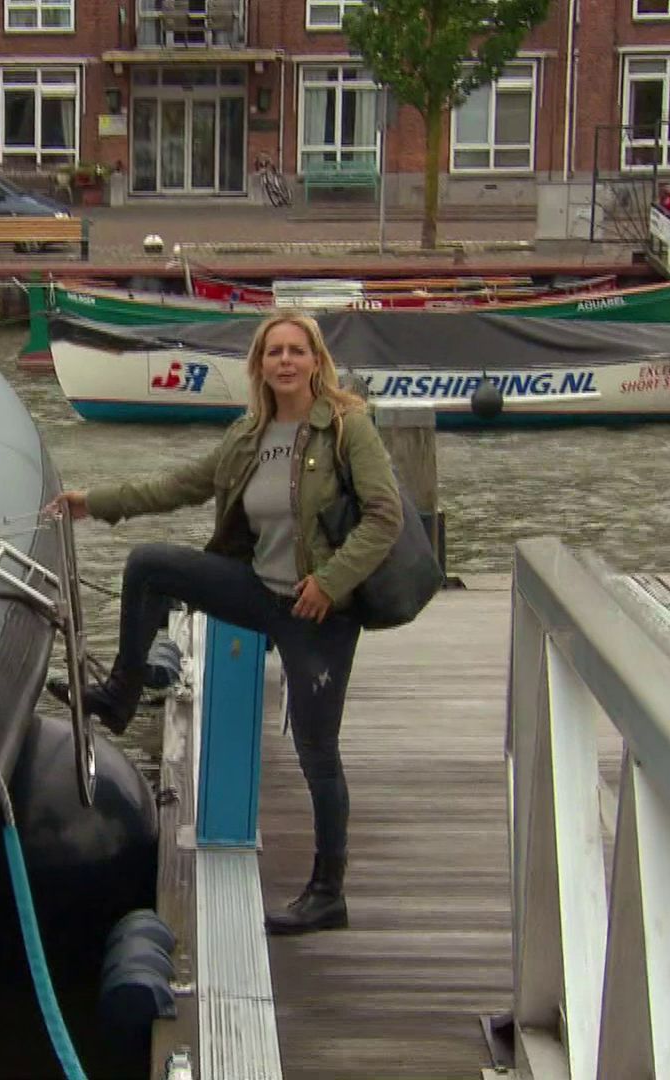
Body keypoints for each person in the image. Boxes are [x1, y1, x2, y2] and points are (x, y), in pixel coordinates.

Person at [46, 312, 403, 934]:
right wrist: (92, 503)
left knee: (317, 752)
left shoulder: (348, 428)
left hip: (319, 611)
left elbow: (384, 516)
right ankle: (121, 694)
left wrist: (330, 581)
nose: (285, 361)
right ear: (259, 365)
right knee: (149, 566)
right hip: (259, 591)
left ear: (315, 361)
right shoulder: (248, 435)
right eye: (274, 352)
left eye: (296, 351)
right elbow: (177, 486)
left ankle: (328, 894)